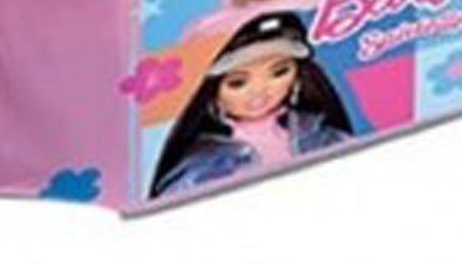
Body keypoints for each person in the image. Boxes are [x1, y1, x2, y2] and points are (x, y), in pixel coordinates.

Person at [149, 12, 353, 199]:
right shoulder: (200, 166)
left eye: (279, 72)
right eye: (237, 83)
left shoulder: (319, 134)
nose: (260, 91)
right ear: (210, 92)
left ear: (298, 75)